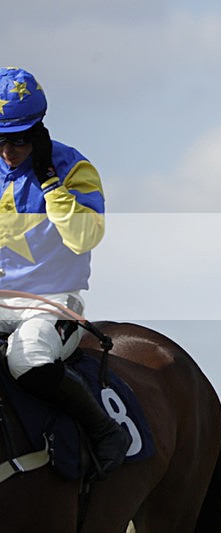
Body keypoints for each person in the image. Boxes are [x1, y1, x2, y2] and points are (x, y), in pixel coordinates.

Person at [0, 66, 131, 475]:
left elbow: (83, 238)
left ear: (38, 130)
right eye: (0, 139)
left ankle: (105, 431)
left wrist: (50, 183)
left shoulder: (73, 167)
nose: (8, 151)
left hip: (53, 303)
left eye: (19, 139)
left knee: (29, 358)